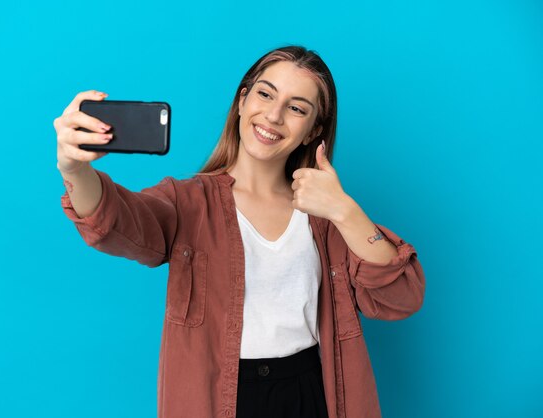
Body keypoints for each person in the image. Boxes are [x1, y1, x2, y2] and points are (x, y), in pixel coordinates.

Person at [53, 45, 425, 418]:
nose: (274, 115)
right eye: (265, 94)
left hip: (310, 393)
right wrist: (74, 168)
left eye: (297, 108)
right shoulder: (188, 203)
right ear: (242, 101)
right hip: (220, 397)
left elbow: (401, 296)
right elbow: (115, 222)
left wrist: (344, 210)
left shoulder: (326, 213)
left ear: (314, 130)